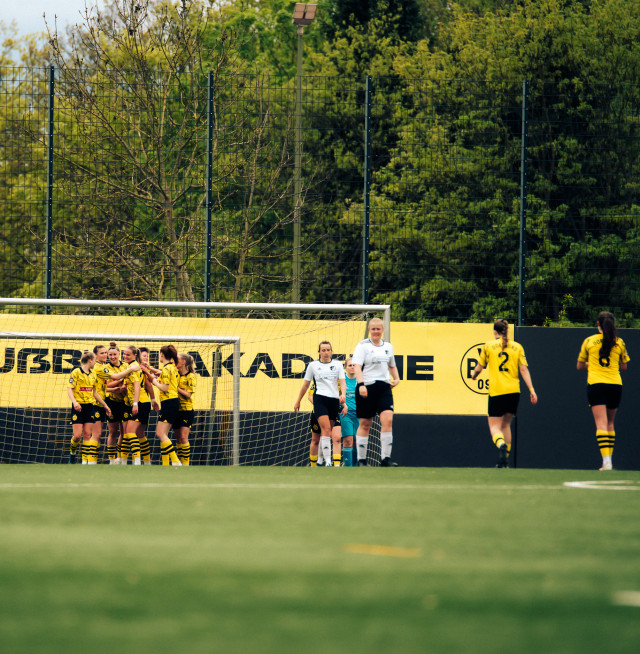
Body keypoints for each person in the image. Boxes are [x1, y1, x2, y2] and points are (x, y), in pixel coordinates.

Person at [471, 319, 537, 468]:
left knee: (494, 427)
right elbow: (524, 369)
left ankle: (501, 445)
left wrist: (474, 375)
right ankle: (504, 461)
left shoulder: (488, 346)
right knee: (506, 425)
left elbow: (479, 368)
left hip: (497, 391)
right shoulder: (517, 347)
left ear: (495, 331)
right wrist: (532, 390)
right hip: (514, 392)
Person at [577, 311, 630, 470]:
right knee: (610, 423)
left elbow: (579, 365)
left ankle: (606, 462)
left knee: (601, 423)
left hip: (596, 384)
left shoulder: (589, 341)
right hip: (615, 385)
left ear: (598, 324)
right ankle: (609, 461)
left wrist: (591, 364)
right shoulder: (619, 342)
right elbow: (624, 366)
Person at [352, 317, 400, 467]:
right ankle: (362, 460)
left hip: (384, 387)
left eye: (378, 329)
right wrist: (361, 384)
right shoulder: (362, 346)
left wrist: (397, 378)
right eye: (373, 329)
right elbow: (357, 366)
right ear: (369, 330)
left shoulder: (388, 346)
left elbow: (391, 365)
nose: (376, 331)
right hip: (367, 387)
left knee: (388, 420)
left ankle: (386, 459)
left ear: (382, 330)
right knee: (365, 423)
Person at [294, 341, 346, 467]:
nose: (326, 352)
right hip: (320, 399)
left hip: (333, 400)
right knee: (326, 429)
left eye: (328, 350)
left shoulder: (338, 364)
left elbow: (342, 382)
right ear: (319, 352)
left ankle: (322, 460)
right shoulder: (313, 365)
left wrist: (343, 394)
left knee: (328, 432)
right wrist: (298, 400)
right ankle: (327, 462)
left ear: (331, 351)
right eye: (323, 350)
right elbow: (306, 385)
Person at [67, 350, 112, 464]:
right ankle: (72, 452)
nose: (95, 363)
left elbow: (94, 392)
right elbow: (70, 389)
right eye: (95, 360)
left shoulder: (93, 374)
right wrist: (74, 402)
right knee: (77, 436)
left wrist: (105, 405)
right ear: (90, 360)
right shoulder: (76, 372)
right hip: (78, 406)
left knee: (87, 434)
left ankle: (85, 462)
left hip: (90, 406)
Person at [93, 342, 128, 464]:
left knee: (124, 433)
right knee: (112, 432)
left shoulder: (125, 365)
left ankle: (121, 458)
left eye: (114, 354)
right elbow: (108, 385)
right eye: (110, 354)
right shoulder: (105, 367)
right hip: (111, 402)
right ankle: (112, 459)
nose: (112, 357)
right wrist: (120, 380)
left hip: (124, 402)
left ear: (119, 354)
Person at [149, 344, 183, 466]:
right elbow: (162, 374)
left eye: (159, 354)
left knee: (160, 434)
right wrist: (149, 370)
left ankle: (175, 461)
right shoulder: (172, 367)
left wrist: (154, 382)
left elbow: (165, 388)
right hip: (171, 402)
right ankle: (165, 464)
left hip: (169, 402)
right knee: (164, 435)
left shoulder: (167, 368)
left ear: (162, 354)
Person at [174, 353, 197, 466]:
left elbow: (188, 395)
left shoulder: (191, 376)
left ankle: (186, 464)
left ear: (183, 362)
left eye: (177, 360)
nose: (175, 362)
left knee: (183, 437)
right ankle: (181, 464)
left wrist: (176, 388)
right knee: (178, 438)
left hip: (186, 410)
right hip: (176, 409)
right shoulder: (175, 374)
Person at [340, 357, 358, 467]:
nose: (352, 367)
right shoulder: (341, 381)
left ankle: (356, 466)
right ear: (345, 367)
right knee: (348, 440)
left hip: (359, 414)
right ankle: (348, 467)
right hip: (345, 413)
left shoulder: (361, 380)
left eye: (354, 365)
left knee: (357, 441)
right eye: (350, 365)